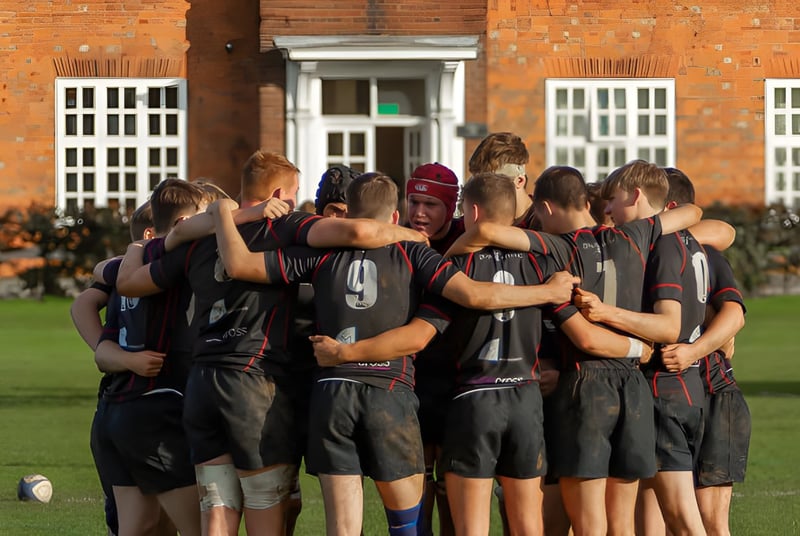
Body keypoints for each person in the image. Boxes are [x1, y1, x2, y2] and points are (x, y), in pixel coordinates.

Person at [209, 172, 579, 536]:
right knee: (407, 525)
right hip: (392, 391)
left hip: (333, 394)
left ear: (349, 213)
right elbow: (467, 299)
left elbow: (239, 265)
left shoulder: (320, 254)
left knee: (343, 527)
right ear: (394, 217)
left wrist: (223, 213)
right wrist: (547, 293)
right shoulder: (418, 252)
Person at [114, 159, 434, 536]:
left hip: (202, 382)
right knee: (264, 503)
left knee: (218, 506)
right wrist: (409, 235)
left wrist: (143, 245)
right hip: (254, 382)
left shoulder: (201, 237)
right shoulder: (285, 225)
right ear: (280, 195)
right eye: (295, 194)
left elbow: (131, 283)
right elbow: (360, 232)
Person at [445, 165, 707, 536]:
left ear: (547, 209)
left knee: (588, 525)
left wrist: (446, 261)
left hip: (586, 386)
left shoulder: (559, 247)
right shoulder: (636, 233)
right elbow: (692, 213)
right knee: (622, 525)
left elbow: (485, 230)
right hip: (633, 387)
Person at [574, 160, 722, 536]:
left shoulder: (663, 245)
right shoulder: (689, 238)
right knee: (662, 520)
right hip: (689, 387)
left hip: (665, 389)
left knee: (684, 522)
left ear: (637, 196)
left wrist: (607, 312)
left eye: (613, 200)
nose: (607, 210)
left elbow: (668, 325)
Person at [93, 180, 206, 536]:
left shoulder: (126, 267)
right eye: (203, 218)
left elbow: (102, 347)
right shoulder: (172, 262)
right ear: (183, 223)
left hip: (116, 409)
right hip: (156, 408)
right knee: (199, 527)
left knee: (138, 526)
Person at [659, 168, 749, 536]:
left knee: (710, 523)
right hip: (680, 394)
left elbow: (734, 315)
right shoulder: (654, 250)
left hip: (714, 394)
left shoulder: (702, 252)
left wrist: (694, 350)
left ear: (670, 207)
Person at [404, 162, 463, 536]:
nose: (420, 213)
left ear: (451, 208)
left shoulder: (466, 238)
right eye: (413, 202)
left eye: (431, 204)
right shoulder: (396, 236)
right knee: (418, 477)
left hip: (458, 372)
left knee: (453, 482)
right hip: (415, 373)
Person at [468, 132, 536, 228]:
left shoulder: (543, 223)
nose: (483, 192)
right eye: (477, 185)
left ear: (519, 181)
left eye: (492, 185)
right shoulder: (477, 218)